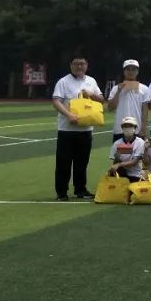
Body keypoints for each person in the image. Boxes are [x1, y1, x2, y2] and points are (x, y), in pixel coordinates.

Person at [52, 55, 104, 201]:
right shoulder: (63, 81)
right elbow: (56, 101)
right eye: (76, 64)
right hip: (67, 130)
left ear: (87, 65)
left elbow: (101, 99)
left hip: (86, 129)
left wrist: (91, 94)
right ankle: (61, 192)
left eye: (82, 64)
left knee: (82, 162)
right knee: (64, 162)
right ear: (71, 65)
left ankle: (80, 189)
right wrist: (68, 115)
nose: (79, 66)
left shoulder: (91, 81)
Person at [107, 59, 151, 141]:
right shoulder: (116, 88)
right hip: (120, 129)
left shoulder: (144, 88)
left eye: (133, 69)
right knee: (119, 149)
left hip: (136, 129)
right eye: (128, 69)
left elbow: (145, 111)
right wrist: (119, 91)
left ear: (137, 72)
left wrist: (143, 129)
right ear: (124, 71)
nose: (131, 72)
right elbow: (110, 107)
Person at [108, 116, 146, 182]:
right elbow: (115, 162)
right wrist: (117, 158)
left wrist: (119, 164)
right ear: (122, 128)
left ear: (135, 128)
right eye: (125, 126)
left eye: (130, 126)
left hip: (136, 174)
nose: (127, 128)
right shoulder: (117, 143)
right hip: (121, 173)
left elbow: (134, 162)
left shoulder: (140, 142)